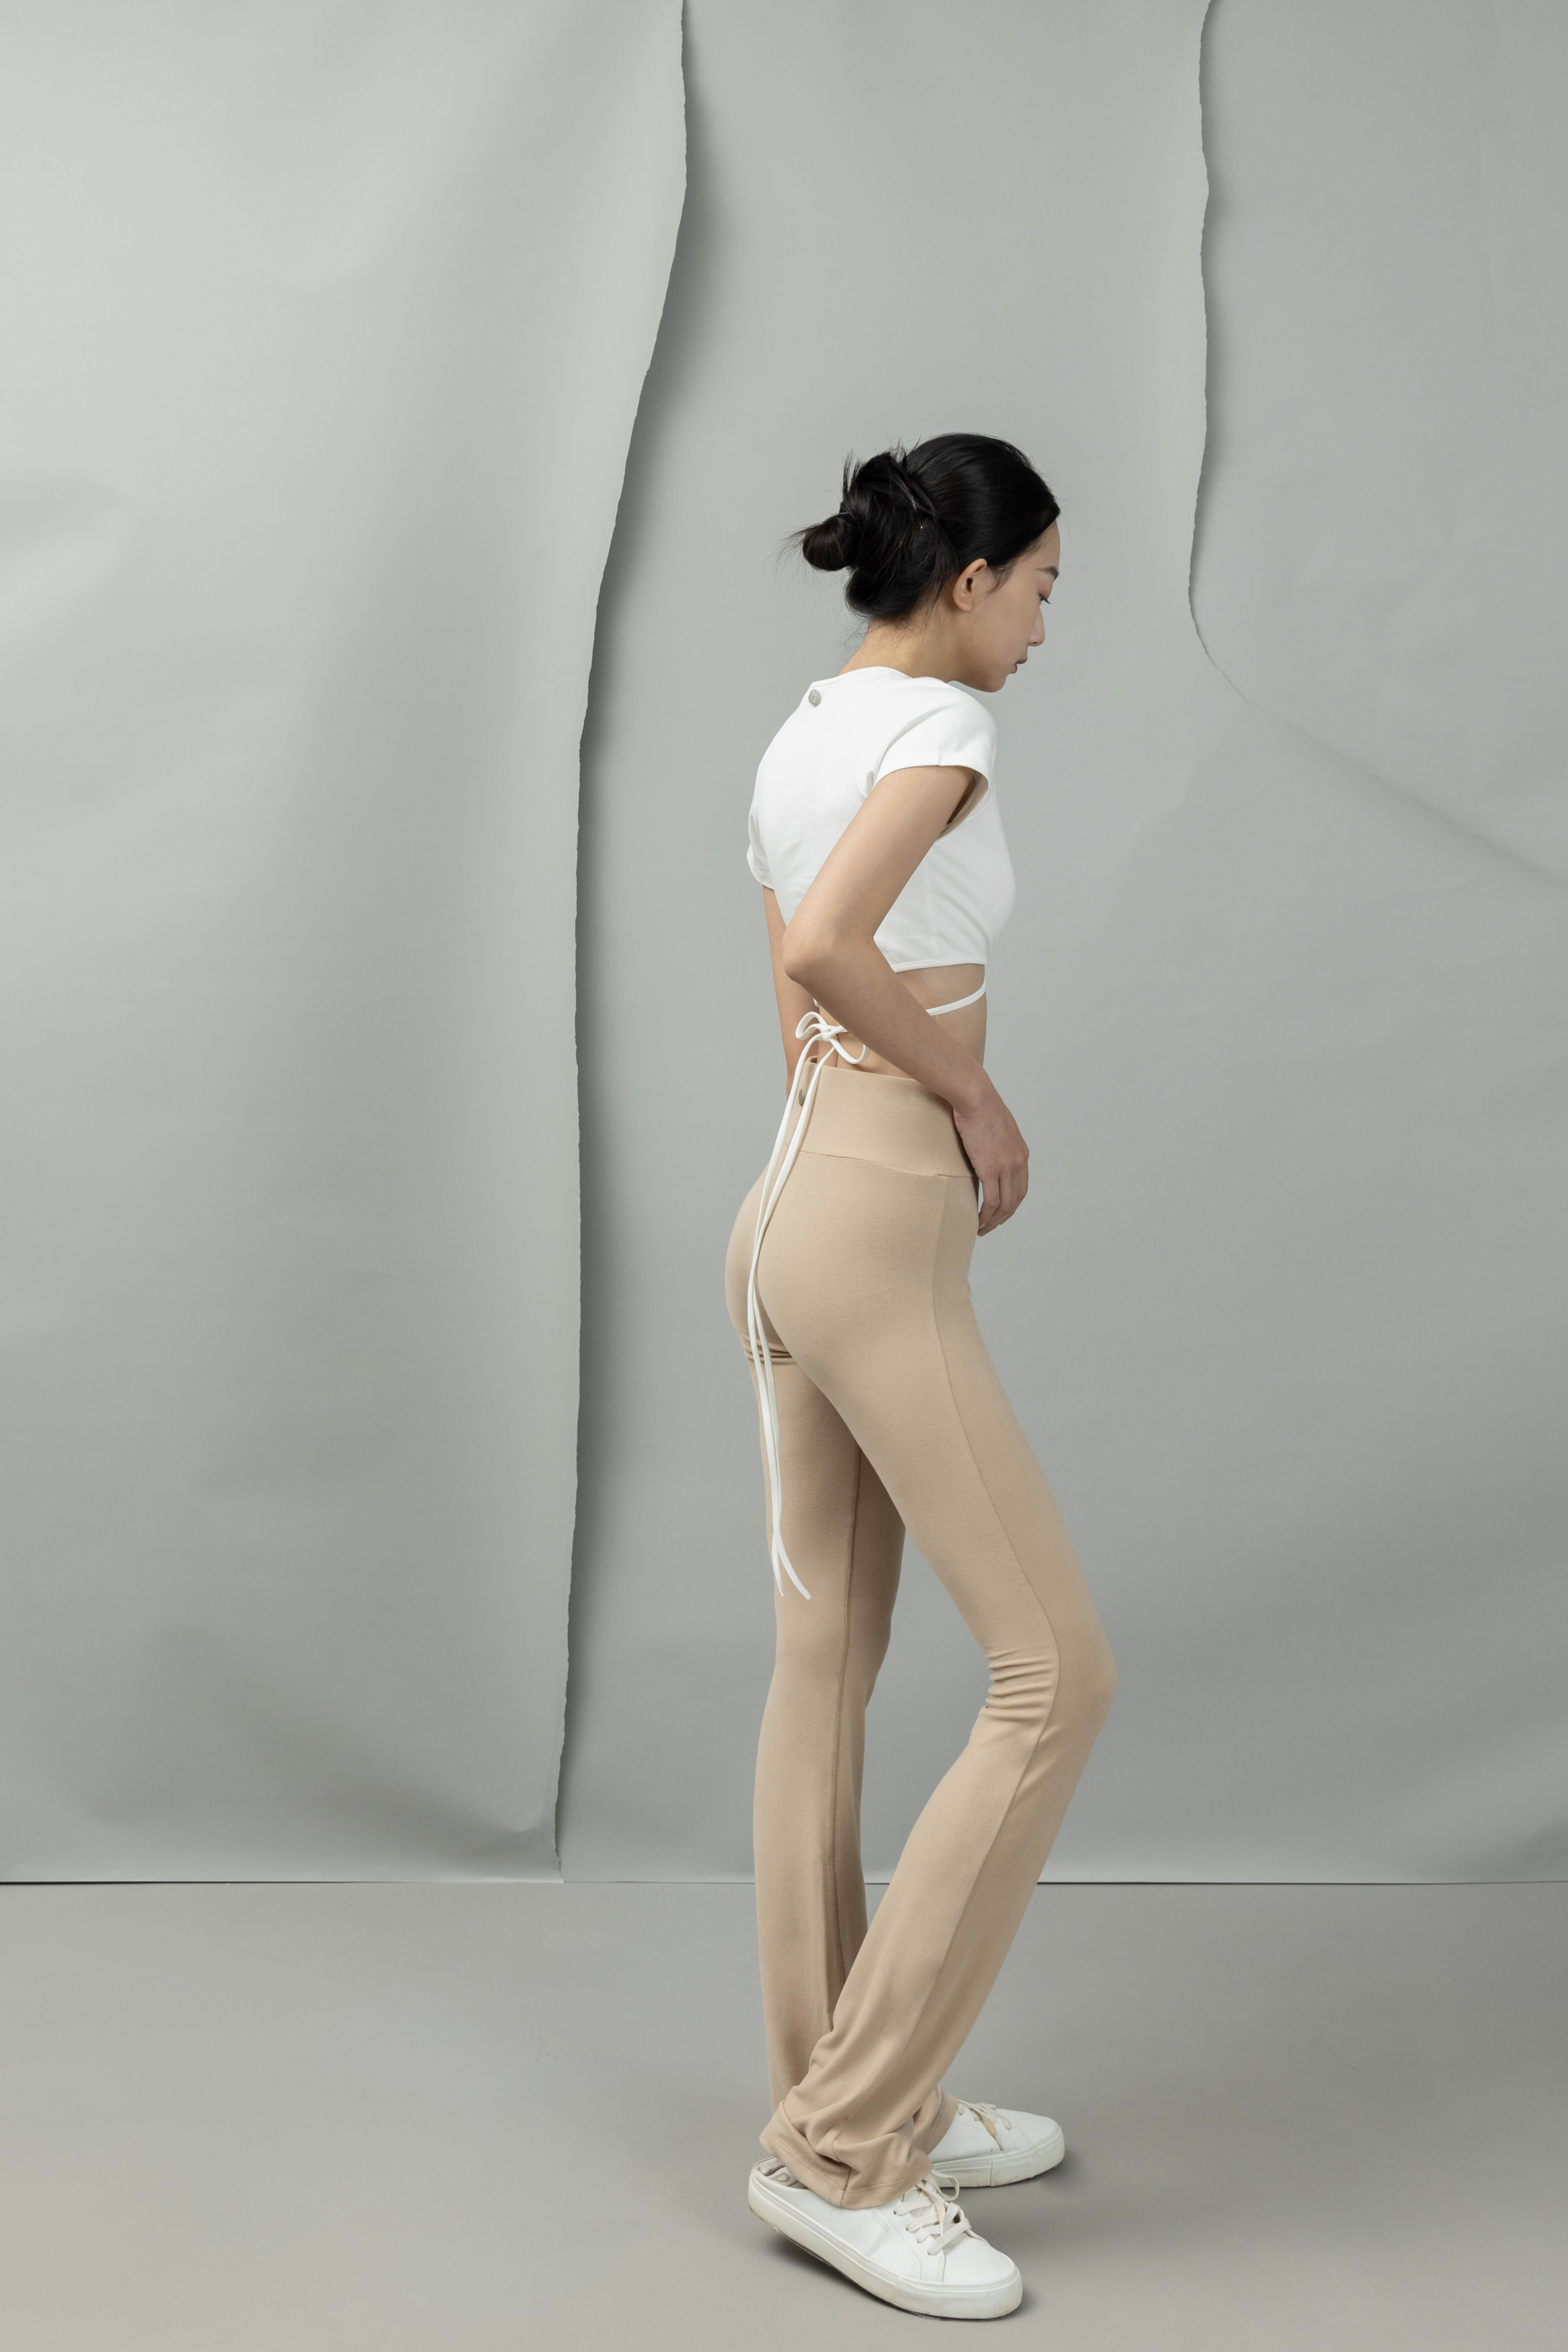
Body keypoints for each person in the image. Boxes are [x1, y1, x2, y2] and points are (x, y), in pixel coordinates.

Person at [723, 434, 1118, 2320]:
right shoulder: (945, 732)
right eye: (1038, 588)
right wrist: (974, 1098)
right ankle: (844, 2150)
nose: (1042, 625)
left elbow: (787, 991)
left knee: (827, 1665)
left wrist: (865, 1143)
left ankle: (848, 2097)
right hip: (875, 1219)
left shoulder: (802, 733)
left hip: (794, 1200)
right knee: (1056, 1672)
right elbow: (828, 944)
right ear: (967, 582)